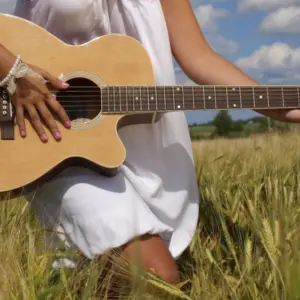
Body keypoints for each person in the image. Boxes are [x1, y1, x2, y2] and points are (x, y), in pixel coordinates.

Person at [1, 0, 299, 284]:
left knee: (119, 278)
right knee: (157, 277)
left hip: (146, 153)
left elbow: (199, 57)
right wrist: (15, 73)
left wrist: (276, 106)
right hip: (58, 146)